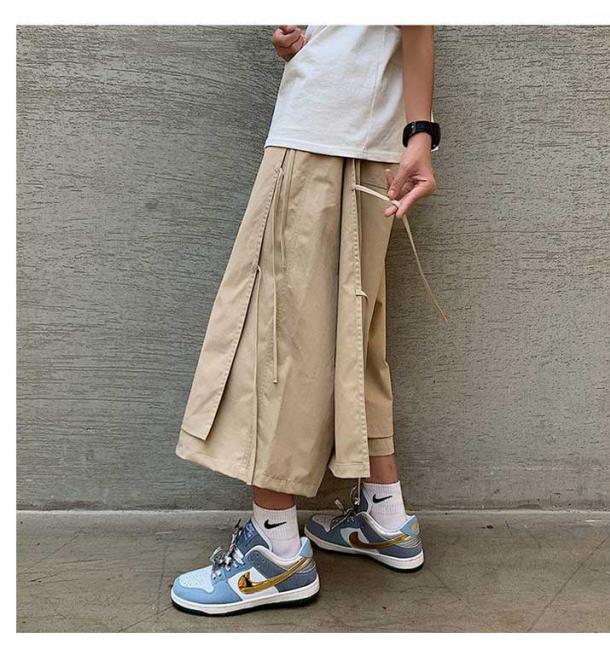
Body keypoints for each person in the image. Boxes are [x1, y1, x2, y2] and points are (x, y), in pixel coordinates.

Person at [171, 25, 443, 616]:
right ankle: (385, 515)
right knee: (353, 338)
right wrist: (303, 35)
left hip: (319, 129)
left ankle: (275, 551)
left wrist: (421, 131)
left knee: (277, 340)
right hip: (374, 139)